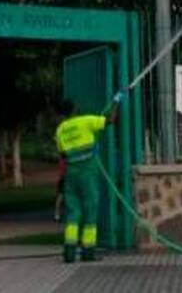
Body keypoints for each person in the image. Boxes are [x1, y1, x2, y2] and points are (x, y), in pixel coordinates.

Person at [54, 93, 121, 263]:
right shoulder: (86, 121)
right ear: (74, 109)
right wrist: (115, 102)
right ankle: (88, 252)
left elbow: (62, 155)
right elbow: (110, 120)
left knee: (73, 213)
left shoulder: (60, 130)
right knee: (90, 211)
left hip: (71, 175)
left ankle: (69, 252)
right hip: (87, 174)